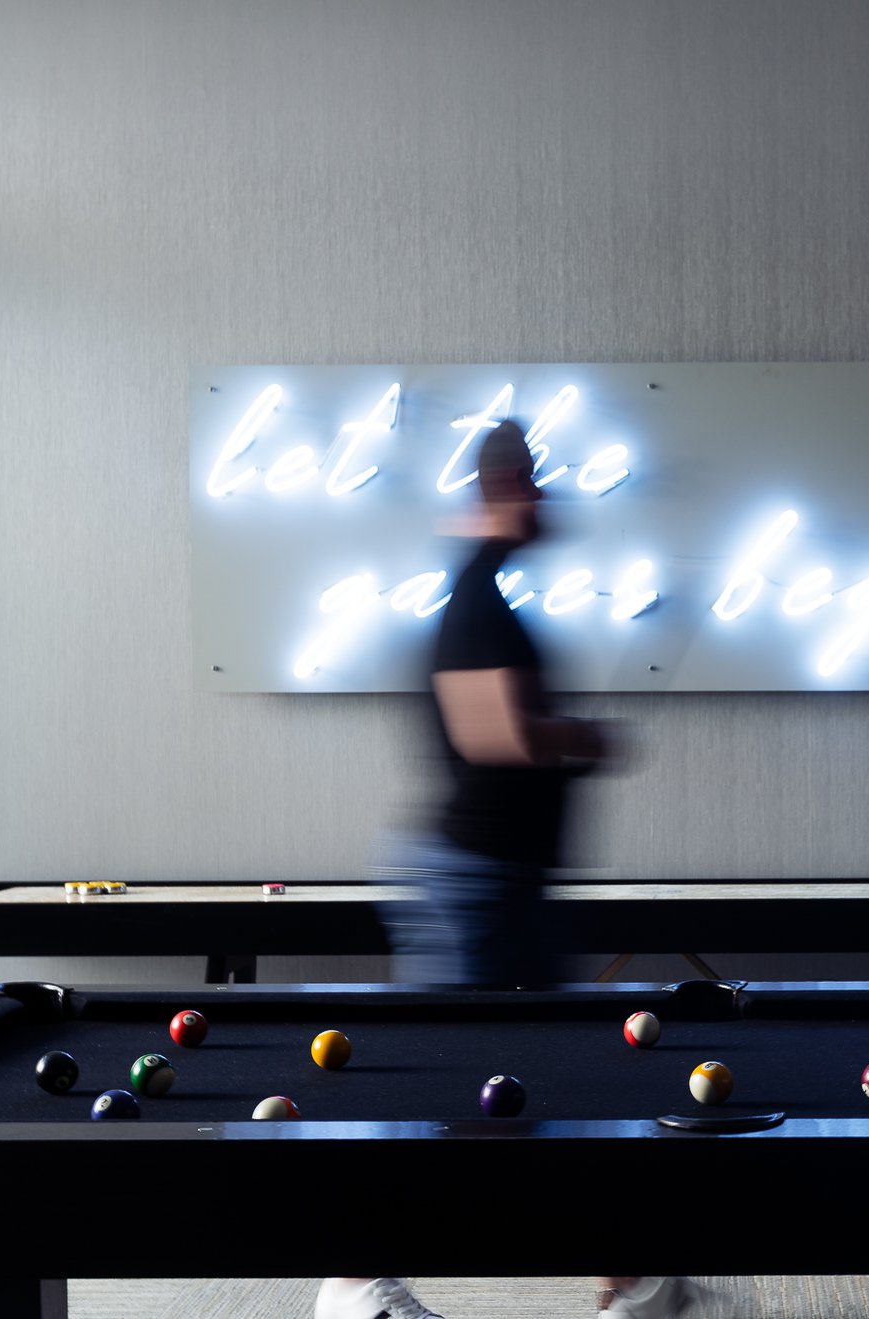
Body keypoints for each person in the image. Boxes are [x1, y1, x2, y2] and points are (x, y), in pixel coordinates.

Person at [318, 421, 706, 1319]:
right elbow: (492, 735)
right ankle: (349, 1282)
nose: (546, 498)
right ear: (499, 488)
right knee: (447, 1086)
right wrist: (588, 736)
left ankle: (626, 1275)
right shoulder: (474, 605)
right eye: (531, 481)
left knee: (555, 1073)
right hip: (473, 884)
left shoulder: (489, 600)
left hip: (502, 880)